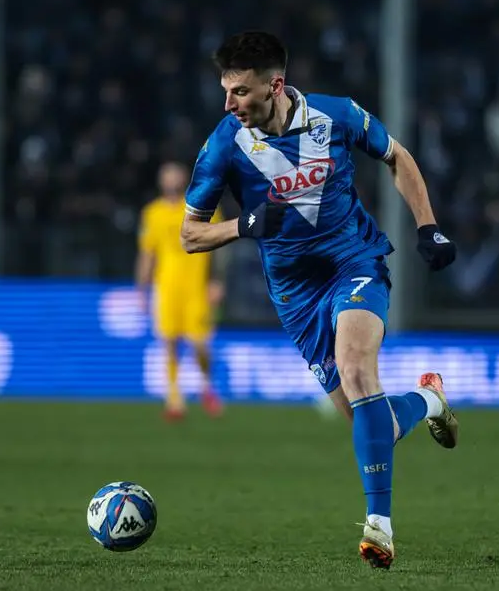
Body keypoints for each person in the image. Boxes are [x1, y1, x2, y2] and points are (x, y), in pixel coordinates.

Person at [180, 31, 458, 569]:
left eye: (239, 91)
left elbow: (396, 157)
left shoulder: (336, 115)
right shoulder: (223, 145)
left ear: (275, 85)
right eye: (226, 91)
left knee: (358, 373)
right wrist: (246, 225)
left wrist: (429, 228)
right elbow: (190, 236)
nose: (228, 103)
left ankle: (380, 528)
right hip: (295, 295)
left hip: (354, 263)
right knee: (367, 423)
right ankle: (429, 401)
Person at [137, 161, 225, 421]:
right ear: (161, 182)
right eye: (167, 177)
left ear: (184, 179)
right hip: (166, 288)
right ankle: (174, 399)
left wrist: (217, 280)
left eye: (176, 177)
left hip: (196, 287)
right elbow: (147, 253)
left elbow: (219, 243)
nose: (172, 182)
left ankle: (206, 386)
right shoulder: (152, 213)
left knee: (200, 344)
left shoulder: (203, 206)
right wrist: (141, 289)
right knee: (170, 343)